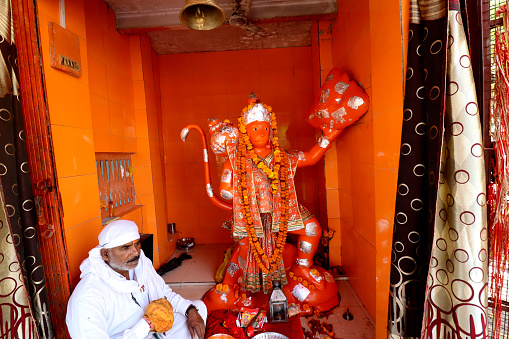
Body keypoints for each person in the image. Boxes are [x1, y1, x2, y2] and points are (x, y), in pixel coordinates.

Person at [66, 220, 206, 339]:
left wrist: (190, 310)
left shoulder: (141, 264)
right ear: (105, 254)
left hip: (153, 331)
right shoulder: (88, 296)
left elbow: (164, 293)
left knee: (199, 308)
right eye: (125, 247)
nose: (135, 252)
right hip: (138, 332)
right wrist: (146, 325)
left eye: (137, 244)